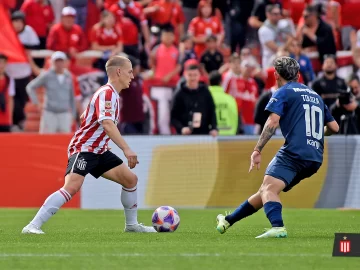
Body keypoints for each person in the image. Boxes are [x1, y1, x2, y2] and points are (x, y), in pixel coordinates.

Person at [22, 55, 156, 234]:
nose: (133, 76)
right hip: (84, 148)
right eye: (130, 71)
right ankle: (32, 226)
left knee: (130, 180)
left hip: (98, 150)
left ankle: (132, 226)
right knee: (71, 187)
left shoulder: (109, 94)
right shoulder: (107, 93)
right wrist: (126, 148)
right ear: (118, 71)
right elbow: (107, 124)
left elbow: (85, 116)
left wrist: (100, 140)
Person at [216, 56, 339, 238]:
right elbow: (334, 127)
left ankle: (278, 226)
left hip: (294, 152)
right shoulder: (315, 95)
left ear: (276, 75)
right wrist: (315, 136)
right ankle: (228, 221)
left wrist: (257, 149)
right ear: (298, 75)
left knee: (268, 189)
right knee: (266, 190)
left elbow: (273, 122)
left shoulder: (283, 91)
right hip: (315, 157)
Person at [26, 51, 77, 133]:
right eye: (57, 61)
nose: (59, 64)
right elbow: (30, 87)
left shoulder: (68, 76)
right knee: (46, 140)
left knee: (64, 141)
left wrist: (73, 115)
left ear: (64, 62)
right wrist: (36, 103)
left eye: (61, 61)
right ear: (52, 62)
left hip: (64, 113)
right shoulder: (47, 75)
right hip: (49, 113)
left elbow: (72, 96)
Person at [171, 62, 218, 136]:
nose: (193, 78)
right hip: (184, 136)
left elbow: (212, 111)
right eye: (190, 75)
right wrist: (181, 128)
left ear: (199, 76)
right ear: (185, 75)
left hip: (203, 134)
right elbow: (173, 117)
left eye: (195, 75)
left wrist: (214, 128)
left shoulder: (205, 92)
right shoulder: (179, 94)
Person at [208, 71, 238, 135]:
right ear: (221, 82)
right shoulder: (230, 99)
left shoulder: (205, 98)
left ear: (209, 82)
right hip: (228, 134)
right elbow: (235, 118)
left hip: (211, 135)